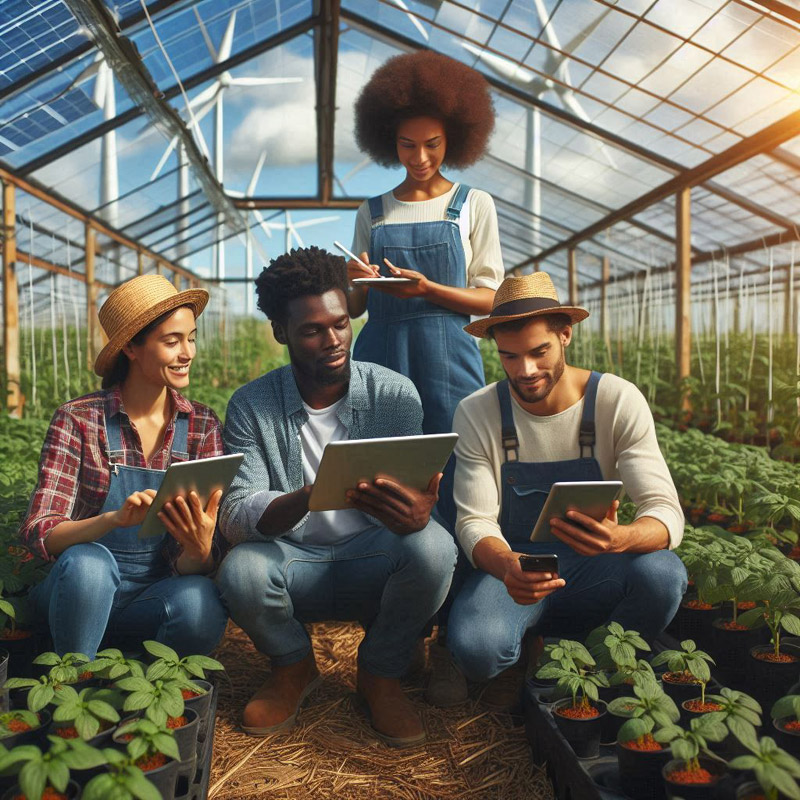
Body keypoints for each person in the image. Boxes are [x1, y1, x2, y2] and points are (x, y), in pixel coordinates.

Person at [216, 247, 457, 747]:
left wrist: (414, 516)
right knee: (241, 568)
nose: (333, 340)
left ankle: (380, 673)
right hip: (295, 561)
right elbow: (237, 516)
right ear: (281, 333)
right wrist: (309, 495)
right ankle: (294, 667)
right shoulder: (251, 405)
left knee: (435, 547)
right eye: (312, 330)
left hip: (371, 558)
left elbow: (412, 505)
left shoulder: (394, 393)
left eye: (341, 323)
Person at [437, 272, 687, 708]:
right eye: (510, 357)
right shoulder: (478, 412)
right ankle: (523, 646)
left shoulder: (615, 401)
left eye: (539, 352)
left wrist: (624, 537)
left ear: (565, 335)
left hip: (597, 566)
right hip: (518, 568)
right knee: (478, 650)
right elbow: (474, 520)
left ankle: (584, 666)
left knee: (663, 575)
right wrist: (507, 566)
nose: (525, 371)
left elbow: (664, 509)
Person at [20, 274, 228, 659]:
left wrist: (198, 551)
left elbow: (197, 559)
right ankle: (74, 686)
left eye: (192, 337)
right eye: (172, 341)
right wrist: (113, 520)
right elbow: (41, 531)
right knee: (90, 565)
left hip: (153, 596)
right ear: (132, 347)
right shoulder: (79, 419)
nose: (188, 353)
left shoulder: (202, 427)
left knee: (200, 600)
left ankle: (146, 692)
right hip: (75, 592)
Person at [347, 50, 503, 529]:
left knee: (457, 464)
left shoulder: (473, 204)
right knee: (382, 471)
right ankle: (387, 579)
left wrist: (429, 290)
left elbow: (492, 299)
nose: (420, 158)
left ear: (453, 138)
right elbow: (354, 308)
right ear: (387, 142)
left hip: (450, 359)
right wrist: (355, 281)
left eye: (432, 144)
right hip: (379, 355)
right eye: (406, 145)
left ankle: (460, 578)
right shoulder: (371, 212)